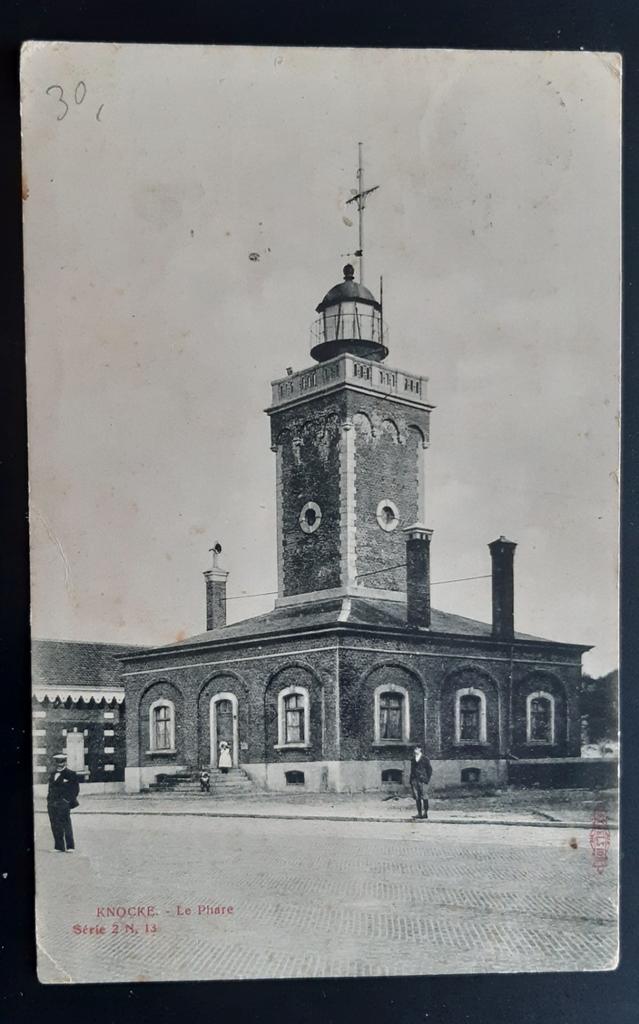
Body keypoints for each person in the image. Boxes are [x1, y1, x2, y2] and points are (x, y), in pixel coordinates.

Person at [47, 753, 80, 852]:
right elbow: (50, 788)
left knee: (66, 824)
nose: (59, 764)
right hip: (52, 804)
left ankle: (70, 846)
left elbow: (75, 789)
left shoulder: (71, 774)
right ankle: (59, 847)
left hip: (63, 803)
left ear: (65, 762)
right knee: (55, 824)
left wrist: (67, 801)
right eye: (57, 762)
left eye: (61, 761)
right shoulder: (52, 773)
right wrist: (49, 801)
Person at [409, 745, 432, 821]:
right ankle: (419, 813)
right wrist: (411, 780)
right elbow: (412, 770)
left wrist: (426, 779)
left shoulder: (425, 759)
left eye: (416, 749)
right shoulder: (413, 759)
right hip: (415, 780)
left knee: (424, 796)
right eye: (414, 749)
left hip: (423, 780)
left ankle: (425, 813)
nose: (415, 750)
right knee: (417, 797)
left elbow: (429, 770)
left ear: (420, 749)